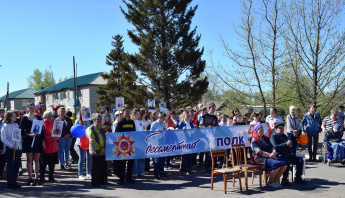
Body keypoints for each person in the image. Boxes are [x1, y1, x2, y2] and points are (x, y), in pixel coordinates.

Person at [250, 124, 287, 188]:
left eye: (262, 130)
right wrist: (271, 156)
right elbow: (259, 152)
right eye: (260, 131)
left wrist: (274, 152)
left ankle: (275, 181)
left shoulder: (265, 138)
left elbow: (272, 147)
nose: (262, 132)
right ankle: (270, 182)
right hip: (259, 158)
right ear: (256, 131)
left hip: (269, 156)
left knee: (284, 164)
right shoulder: (254, 140)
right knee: (276, 164)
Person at [270, 122, 307, 186]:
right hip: (279, 155)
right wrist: (286, 144)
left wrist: (290, 144)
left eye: (282, 128)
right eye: (280, 128)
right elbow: (275, 146)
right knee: (286, 161)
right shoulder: (273, 136)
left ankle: (298, 178)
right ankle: (285, 180)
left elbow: (289, 144)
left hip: (287, 154)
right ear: (275, 129)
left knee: (300, 160)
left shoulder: (284, 136)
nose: (282, 129)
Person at [20, 102, 44, 186]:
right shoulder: (24, 118)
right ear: (27, 108)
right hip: (28, 141)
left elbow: (41, 131)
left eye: (33, 108)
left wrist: (42, 141)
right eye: (30, 108)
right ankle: (30, 178)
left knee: (37, 160)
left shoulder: (38, 118)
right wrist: (29, 134)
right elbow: (22, 130)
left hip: (37, 140)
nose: (32, 109)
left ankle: (37, 178)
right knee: (29, 160)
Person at [114, 104, 136, 185]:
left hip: (130, 145)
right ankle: (121, 178)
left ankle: (129, 178)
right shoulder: (120, 122)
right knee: (122, 163)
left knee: (131, 162)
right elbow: (117, 134)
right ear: (123, 112)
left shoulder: (131, 122)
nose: (128, 113)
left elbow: (134, 133)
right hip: (122, 145)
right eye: (126, 111)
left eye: (129, 111)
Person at [1, 111, 22, 189]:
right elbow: (3, 138)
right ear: (9, 117)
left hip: (17, 147)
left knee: (16, 165)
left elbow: (17, 136)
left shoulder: (16, 125)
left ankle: (14, 180)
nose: (15, 117)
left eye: (15, 116)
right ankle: (10, 182)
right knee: (10, 165)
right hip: (10, 148)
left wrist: (19, 145)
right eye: (13, 116)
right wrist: (11, 145)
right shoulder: (5, 126)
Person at [40, 111, 59, 183]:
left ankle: (51, 176)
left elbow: (58, 132)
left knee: (52, 163)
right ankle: (42, 177)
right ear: (45, 117)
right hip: (46, 147)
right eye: (48, 116)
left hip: (54, 147)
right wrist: (51, 138)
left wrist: (57, 138)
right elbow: (42, 135)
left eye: (51, 115)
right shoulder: (43, 124)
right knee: (43, 164)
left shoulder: (55, 123)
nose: (50, 117)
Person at [199, 103, 219, 172]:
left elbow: (217, 126)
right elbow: (201, 126)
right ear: (209, 108)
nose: (213, 110)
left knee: (211, 152)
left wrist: (214, 127)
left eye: (214, 108)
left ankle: (210, 166)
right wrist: (207, 127)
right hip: (205, 137)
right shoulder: (204, 116)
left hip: (212, 137)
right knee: (206, 152)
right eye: (212, 108)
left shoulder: (215, 118)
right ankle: (204, 166)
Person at [89, 113, 107, 187]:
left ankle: (103, 181)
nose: (99, 121)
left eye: (100, 119)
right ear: (94, 121)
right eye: (97, 119)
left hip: (103, 152)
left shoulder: (103, 128)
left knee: (102, 167)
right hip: (95, 152)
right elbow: (92, 141)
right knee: (95, 168)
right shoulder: (92, 129)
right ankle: (95, 182)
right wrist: (100, 148)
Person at [75, 108, 92, 180]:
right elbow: (75, 131)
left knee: (89, 158)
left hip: (89, 141)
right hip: (81, 142)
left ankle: (88, 173)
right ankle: (80, 174)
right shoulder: (78, 121)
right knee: (82, 158)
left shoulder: (90, 121)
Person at [151, 111, 168, 180]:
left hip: (162, 142)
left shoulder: (163, 124)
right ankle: (156, 174)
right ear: (159, 117)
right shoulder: (154, 124)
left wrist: (166, 130)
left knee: (162, 158)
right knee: (157, 159)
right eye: (162, 117)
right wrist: (156, 131)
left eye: (164, 118)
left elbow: (164, 131)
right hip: (156, 142)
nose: (163, 119)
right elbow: (150, 132)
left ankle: (162, 173)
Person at [179, 110, 194, 175]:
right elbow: (178, 132)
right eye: (187, 116)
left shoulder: (191, 123)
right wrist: (182, 129)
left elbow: (193, 131)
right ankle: (183, 170)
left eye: (189, 116)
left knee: (189, 157)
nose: (188, 117)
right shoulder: (181, 123)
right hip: (184, 142)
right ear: (184, 116)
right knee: (184, 157)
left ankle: (189, 169)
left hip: (190, 142)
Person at [132, 109, 146, 177]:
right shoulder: (132, 122)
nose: (137, 115)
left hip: (141, 140)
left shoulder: (141, 122)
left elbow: (144, 130)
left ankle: (141, 170)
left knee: (141, 156)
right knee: (135, 157)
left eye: (138, 114)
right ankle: (135, 171)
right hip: (135, 141)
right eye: (136, 114)